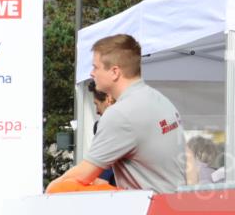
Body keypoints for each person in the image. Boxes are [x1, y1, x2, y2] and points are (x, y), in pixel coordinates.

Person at [48, 34, 185, 194]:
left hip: (150, 213)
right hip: (171, 205)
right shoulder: (159, 99)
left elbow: (79, 177)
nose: (91, 73)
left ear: (114, 72)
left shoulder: (121, 114)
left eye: (95, 67)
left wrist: (49, 191)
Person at [88, 79, 117, 186]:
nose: (96, 111)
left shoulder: (109, 128)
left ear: (108, 99)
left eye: (97, 104)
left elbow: (100, 183)